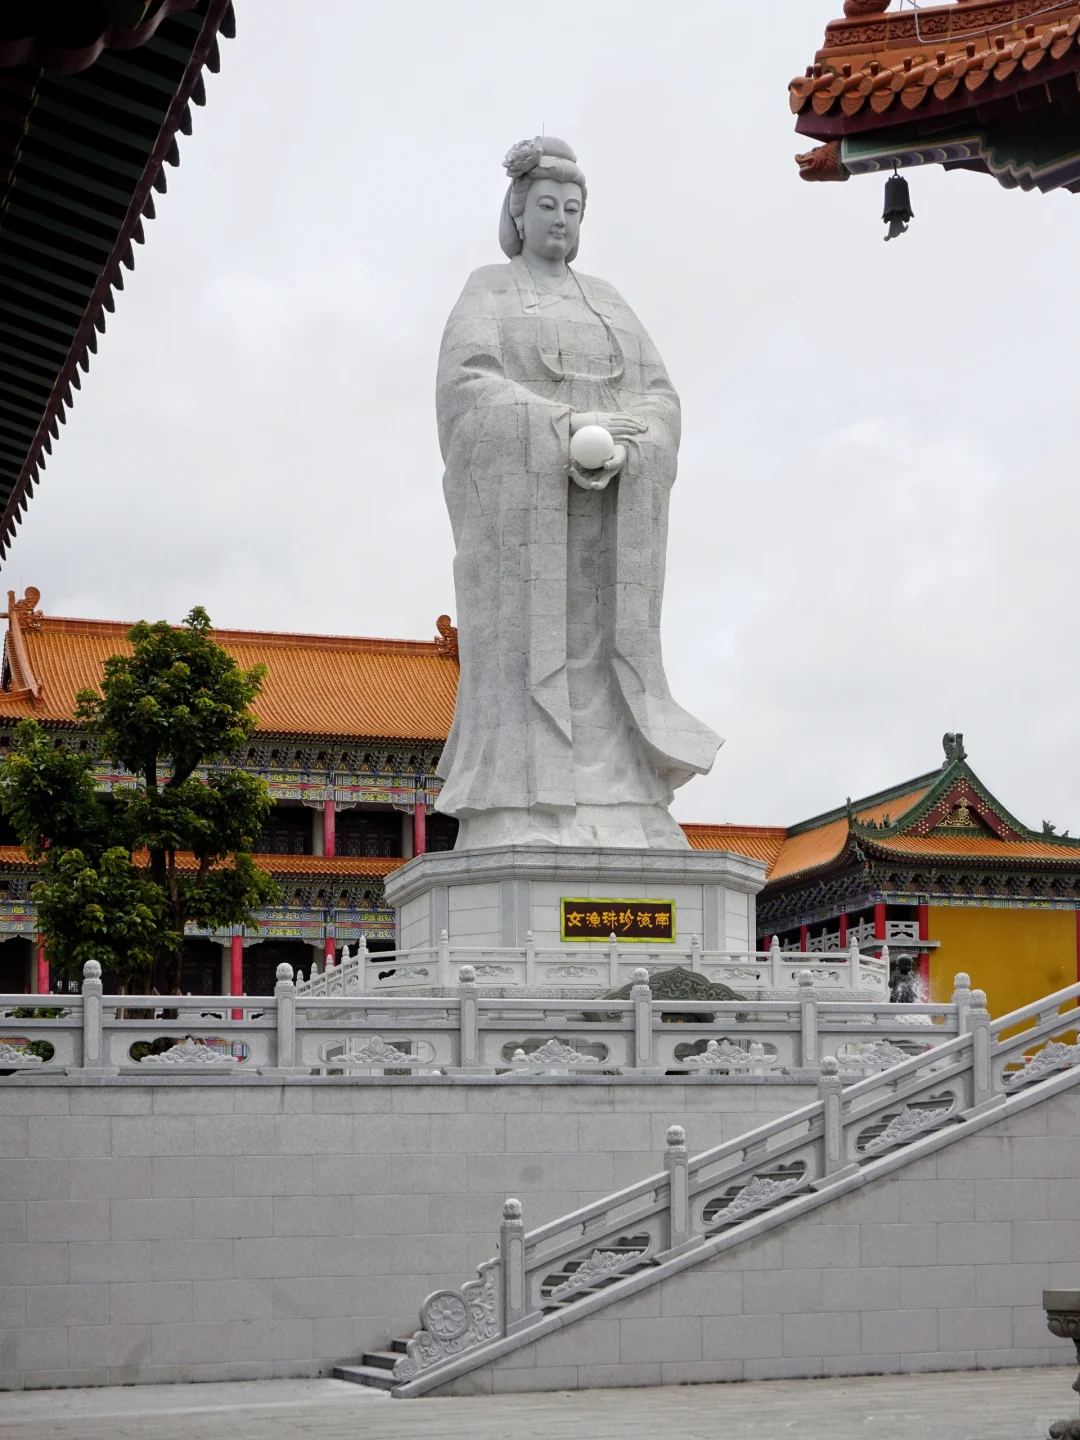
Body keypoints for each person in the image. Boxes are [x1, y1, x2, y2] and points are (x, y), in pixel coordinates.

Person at [434, 137, 720, 851]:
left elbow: (659, 395)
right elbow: (467, 389)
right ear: (518, 212)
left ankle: (625, 794)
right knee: (530, 647)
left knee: (606, 642)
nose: (560, 219)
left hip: (610, 522)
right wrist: (566, 428)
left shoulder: (609, 302)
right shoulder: (488, 290)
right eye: (546, 205)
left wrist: (635, 441)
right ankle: (523, 795)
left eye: (571, 208)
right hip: (525, 528)